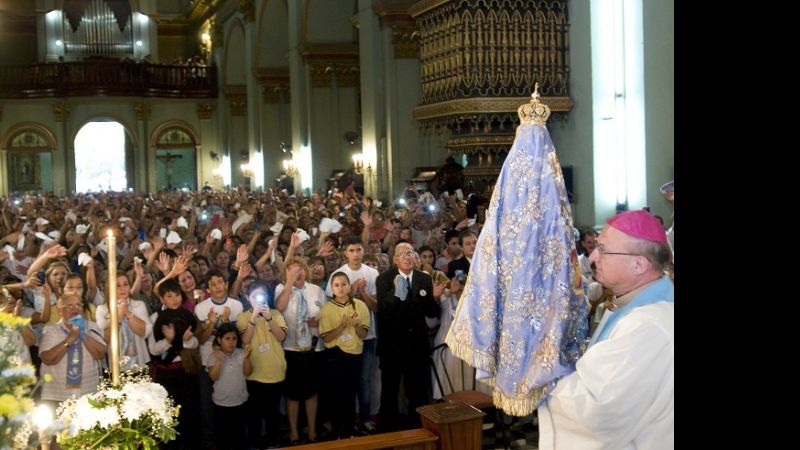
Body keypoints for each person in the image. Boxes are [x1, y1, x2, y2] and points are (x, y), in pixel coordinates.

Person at [537, 210, 674, 450]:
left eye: (604, 249)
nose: (592, 257)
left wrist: (542, 376)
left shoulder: (648, 326)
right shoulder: (636, 307)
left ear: (639, 264)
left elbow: (597, 410)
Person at [376, 242, 440, 431]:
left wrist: (434, 297)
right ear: (395, 259)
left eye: (410, 253)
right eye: (402, 254)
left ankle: (419, 427)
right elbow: (385, 310)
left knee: (418, 389)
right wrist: (397, 291)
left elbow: (431, 312)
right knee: (391, 389)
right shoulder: (384, 279)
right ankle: (389, 429)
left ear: (415, 257)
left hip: (417, 345)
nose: (406, 256)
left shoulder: (424, 279)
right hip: (393, 345)